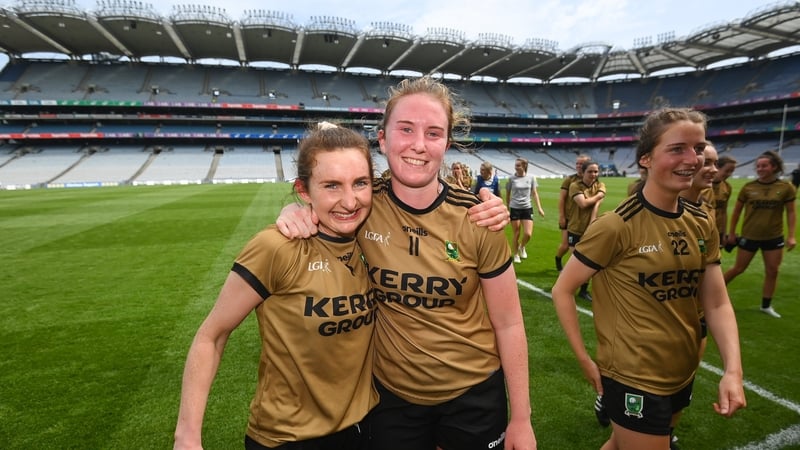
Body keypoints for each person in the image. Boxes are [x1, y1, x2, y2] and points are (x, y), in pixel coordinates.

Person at [276, 76, 536, 450]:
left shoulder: (478, 218)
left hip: (474, 396)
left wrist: (522, 418)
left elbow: (508, 322)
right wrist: (295, 211)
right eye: (406, 129)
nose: (419, 144)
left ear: (447, 143)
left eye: (433, 133)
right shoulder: (362, 206)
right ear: (382, 139)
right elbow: (322, 202)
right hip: (392, 398)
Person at [174, 123, 378, 450]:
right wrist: (187, 437)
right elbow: (212, 336)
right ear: (303, 190)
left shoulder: (374, 238)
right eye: (331, 186)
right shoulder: (276, 247)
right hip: (288, 438)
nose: (350, 201)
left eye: (360, 183)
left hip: (365, 429)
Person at [552, 108, 746, 450]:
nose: (693, 159)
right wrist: (584, 359)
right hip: (633, 376)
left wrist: (733, 369)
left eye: (698, 148)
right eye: (677, 149)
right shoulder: (617, 225)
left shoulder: (701, 222)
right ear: (646, 158)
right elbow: (563, 289)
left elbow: (716, 303)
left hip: (682, 370)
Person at [723, 150, 797, 318]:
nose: (760, 169)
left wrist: (791, 235)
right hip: (749, 236)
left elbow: (791, 212)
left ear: (774, 167)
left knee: (773, 271)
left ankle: (766, 306)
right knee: (738, 268)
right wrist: (732, 233)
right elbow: (736, 212)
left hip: (774, 237)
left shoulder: (786, 187)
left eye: (764, 166)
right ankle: (710, 294)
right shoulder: (748, 187)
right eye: (758, 166)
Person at [565, 160, 605, 301]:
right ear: (583, 172)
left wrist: (592, 221)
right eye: (590, 171)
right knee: (576, 261)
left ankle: (583, 290)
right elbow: (583, 204)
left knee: (589, 261)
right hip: (575, 228)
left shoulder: (600, 185)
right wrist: (598, 197)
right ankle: (567, 287)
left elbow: (594, 204)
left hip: (591, 229)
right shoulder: (575, 186)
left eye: (596, 171)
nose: (593, 174)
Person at [555, 154, 591, 271]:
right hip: (569, 217)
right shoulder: (570, 180)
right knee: (566, 245)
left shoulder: (591, 180)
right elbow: (562, 199)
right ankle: (558, 259)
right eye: (577, 163)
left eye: (582, 164)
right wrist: (562, 216)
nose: (579, 166)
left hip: (584, 219)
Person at [506, 157, 545, 264]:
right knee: (516, 233)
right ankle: (516, 254)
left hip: (527, 207)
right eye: (516, 165)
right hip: (515, 208)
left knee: (528, 234)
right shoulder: (511, 178)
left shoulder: (531, 178)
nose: (516, 167)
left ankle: (522, 246)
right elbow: (508, 194)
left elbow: (534, 193)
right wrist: (507, 208)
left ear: (524, 166)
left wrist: (539, 208)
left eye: (518, 165)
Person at [711, 155, 737, 251]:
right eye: (727, 170)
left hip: (718, 230)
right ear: (717, 167)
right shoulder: (701, 185)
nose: (729, 174)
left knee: (716, 257)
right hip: (703, 230)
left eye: (731, 171)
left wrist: (724, 233)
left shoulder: (727, 187)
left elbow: (724, 211)